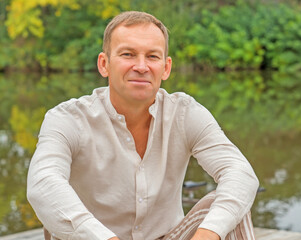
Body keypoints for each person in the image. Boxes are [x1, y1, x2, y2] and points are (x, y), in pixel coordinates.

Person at [27, 11, 259, 240]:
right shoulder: (67, 119)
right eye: (128, 54)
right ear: (104, 64)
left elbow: (240, 174)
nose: (141, 66)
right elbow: (43, 183)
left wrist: (208, 235)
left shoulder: (185, 113)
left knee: (231, 205)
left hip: (167, 236)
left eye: (152, 56)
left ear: (166, 67)